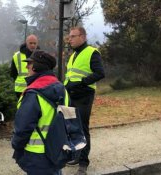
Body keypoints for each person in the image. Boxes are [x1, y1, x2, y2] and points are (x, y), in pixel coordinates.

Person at [11, 50, 64, 175]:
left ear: (36, 66)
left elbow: (23, 128)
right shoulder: (61, 88)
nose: (26, 66)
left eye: (29, 63)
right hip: (57, 150)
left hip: (37, 155)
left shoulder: (33, 93)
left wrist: (16, 146)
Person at [64, 26, 105, 175]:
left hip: (84, 96)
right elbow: (69, 76)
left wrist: (81, 82)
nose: (70, 39)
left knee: (82, 129)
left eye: (73, 36)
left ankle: (83, 163)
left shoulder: (92, 52)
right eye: (69, 37)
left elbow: (100, 73)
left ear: (83, 37)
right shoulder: (73, 55)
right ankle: (76, 155)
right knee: (72, 128)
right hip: (70, 95)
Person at [10, 34, 39, 99]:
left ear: (37, 44)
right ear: (26, 43)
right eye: (30, 43)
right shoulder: (16, 56)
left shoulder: (41, 55)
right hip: (21, 89)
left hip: (36, 88)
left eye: (34, 43)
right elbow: (13, 73)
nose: (33, 45)